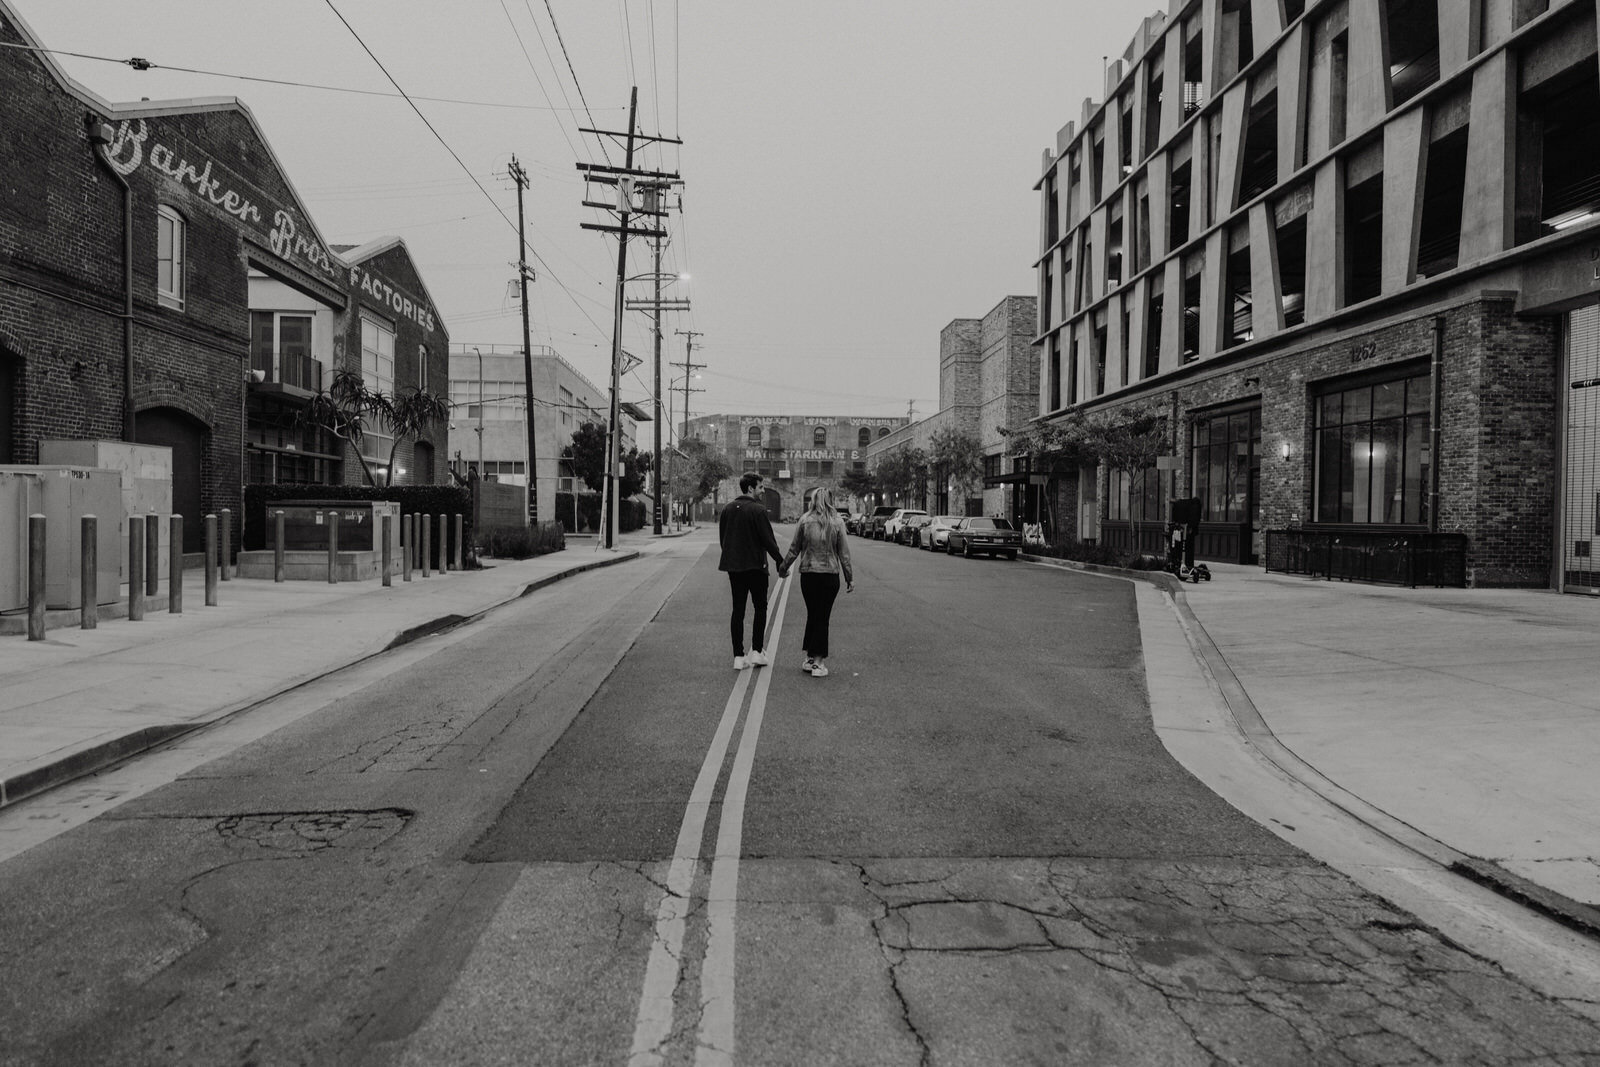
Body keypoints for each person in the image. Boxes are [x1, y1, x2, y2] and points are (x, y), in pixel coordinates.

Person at [778, 486, 854, 677]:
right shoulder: (837, 521)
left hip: (809, 575)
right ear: (830, 500)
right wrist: (849, 578)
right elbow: (844, 554)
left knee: (813, 614)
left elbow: (794, 548)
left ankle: (810, 657)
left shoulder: (804, 519)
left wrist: (783, 566)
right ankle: (818, 663)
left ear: (812, 500)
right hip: (829, 576)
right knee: (822, 617)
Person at [718, 472, 784, 670]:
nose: (763, 491)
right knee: (760, 607)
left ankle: (738, 656)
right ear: (750, 489)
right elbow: (768, 541)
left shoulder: (728, 509)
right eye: (761, 487)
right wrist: (781, 562)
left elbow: (724, 540)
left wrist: (732, 558)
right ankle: (756, 651)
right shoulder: (758, 510)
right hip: (756, 567)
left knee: (738, 610)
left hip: (734, 568)